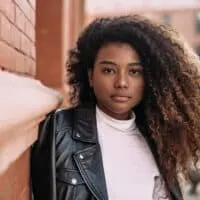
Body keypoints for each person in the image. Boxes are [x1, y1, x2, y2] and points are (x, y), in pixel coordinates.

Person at [31, 15, 200, 200]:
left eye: (134, 72)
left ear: (149, 80)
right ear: (90, 77)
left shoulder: (159, 139)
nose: (121, 82)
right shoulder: (59, 129)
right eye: (109, 70)